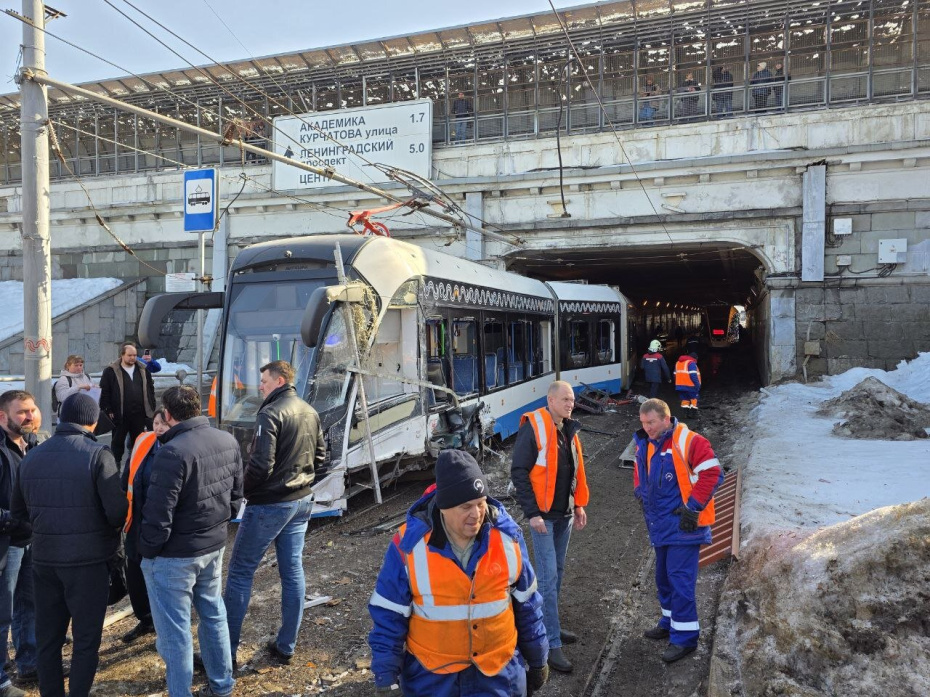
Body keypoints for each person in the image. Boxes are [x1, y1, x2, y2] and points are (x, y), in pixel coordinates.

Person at [368, 450, 549, 696]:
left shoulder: (509, 540)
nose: (476, 514)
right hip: (432, 681)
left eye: (481, 504)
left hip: (498, 678)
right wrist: (386, 677)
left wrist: (538, 658)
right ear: (443, 506)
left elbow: (528, 606)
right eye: (466, 506)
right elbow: (388, 615)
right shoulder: (408, 546)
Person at [11, 393, 127, 697]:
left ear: (62, 419)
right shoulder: (98, 454)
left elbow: (19, 514)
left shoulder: (31, 456)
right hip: (88, 564)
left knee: (48, 639)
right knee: (86, 640)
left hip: (44, 561)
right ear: (91, 421)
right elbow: (116, 512)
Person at [139, 386, 242, 697]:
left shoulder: (172, 451)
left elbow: (159, 514)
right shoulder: (227, 439)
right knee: (213, 614)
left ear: (167, 415)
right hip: (212, 545)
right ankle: (222, 686)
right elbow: (237, 497)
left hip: (174, 556)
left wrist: (148, 550)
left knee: (175, 634)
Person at [223, 360, 324, 666]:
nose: (261, 386)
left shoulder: (270, 412)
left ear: (280, 381)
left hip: (270, 503)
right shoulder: (310, 410)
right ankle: (286, 645)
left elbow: (260, 465)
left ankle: (224, 651)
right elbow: (320, 456)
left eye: (264, 381)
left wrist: (242, 492)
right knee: (292, 571)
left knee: (240, 573)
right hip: (301, 500)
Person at [633, 398, 722, 663]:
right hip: (661, 525)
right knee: (663, 577)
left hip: (684, 526)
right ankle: (670, 622)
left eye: (651, 422)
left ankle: (685, 638)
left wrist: (692, 508)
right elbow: (641, 474)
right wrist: (640, 494)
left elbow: (713, 473)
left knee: (679, 580)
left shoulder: (690, 441)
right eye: (643, 423)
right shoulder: (647, 443)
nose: (647, 428)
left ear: (665, 418)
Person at [510, 380, 588, 674]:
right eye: (565, 399)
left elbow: (573, 469)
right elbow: (519, 471)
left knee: (557, 574)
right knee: (547, 578)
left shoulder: (568, 428)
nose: (570, 403)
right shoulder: (535, 426)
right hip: (543, 517)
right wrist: (531, 513)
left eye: (572, 399)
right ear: (550, 400)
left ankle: (550, 624)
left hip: (564, 514)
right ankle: (550, 644)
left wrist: (577, 504)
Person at [0, 391, 41, 697]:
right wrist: (15, 520)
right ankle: (1, 681)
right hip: (6, 544)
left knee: (29, 605)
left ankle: (29, 664)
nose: (29, 417)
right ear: (3, 416)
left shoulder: (32, 444)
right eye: (22, 412)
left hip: (29, 540)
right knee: (2, 613)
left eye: (32, 410)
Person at [119, 409, 170, 644]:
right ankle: (145, 618)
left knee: (159, 576)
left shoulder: (176, 447)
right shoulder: (143, 441)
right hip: (136, 520)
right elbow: (127, 475)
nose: (159, 428)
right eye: (156, 423)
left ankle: (163, 626)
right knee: (135, 573)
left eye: (164, 424)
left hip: (160, 525)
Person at [99, 343, 160, 467]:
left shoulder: (142, 368)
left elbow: (150, 387)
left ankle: (134, 467)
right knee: (117, 443)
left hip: (139, 413)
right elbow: (104, 391)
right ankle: (115, 469)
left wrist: (151, 404)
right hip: (119, 414)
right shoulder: (111, 371)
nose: (133, 358)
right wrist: (108, 409)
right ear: (122, 355)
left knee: (137, 442)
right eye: (129, 355)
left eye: (135, 355)